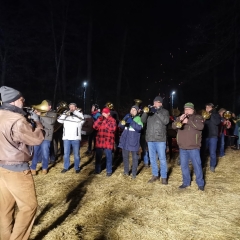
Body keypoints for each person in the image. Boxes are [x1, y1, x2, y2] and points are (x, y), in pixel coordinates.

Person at [0, 86, 44, 240]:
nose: (23, 101)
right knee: (29, 207)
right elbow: (36, 139)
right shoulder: (17, 120)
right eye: (21, 99)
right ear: (13, 101)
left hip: (1, 169)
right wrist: (38, 122)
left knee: (5, 209)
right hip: (17, 170)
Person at [172, 102, 205, 190]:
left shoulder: (198, 117)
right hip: (182, 147)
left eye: (188, 109)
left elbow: (200, 127)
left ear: (192, 110)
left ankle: (200, 184)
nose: (186, 110)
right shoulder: (181, 117)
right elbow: (173, 126)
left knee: (197, 166)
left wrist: (188, 121)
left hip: (194, 147)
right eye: (185, 109)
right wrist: (179, 119)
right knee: (184, 166)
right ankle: (186, 182)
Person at [141, 96, 169, 184]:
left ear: (161, 103)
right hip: (150, 138)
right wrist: (146, 112)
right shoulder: (150, 112)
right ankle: (155, 175)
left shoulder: (165, 112)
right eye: (154, 102)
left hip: (160, 139)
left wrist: (156, 112)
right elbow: (142, 120)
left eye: (157, 102)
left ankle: (164, 177)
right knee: (152, 158)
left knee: (162, 158)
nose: (154, 104)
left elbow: (166, 121)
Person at [30, 100, 57, 175]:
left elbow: (50, 121)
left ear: (50, 106)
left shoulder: (53, 113)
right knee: (35, 152)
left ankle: (44, 168)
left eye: (45, 105)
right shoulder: (40, 112)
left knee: (45, 153)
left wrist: (41, 114)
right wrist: (33, 115)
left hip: (47, 136)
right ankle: (33, 168)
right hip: (38, 135)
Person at [57, 103, 85, 173]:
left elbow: (83, 119)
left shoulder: (79, 114)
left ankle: (77, 167)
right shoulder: (66, 115)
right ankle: (66, 167)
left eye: (73, 107)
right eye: (70, 107)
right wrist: (65, 114)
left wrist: (75, 112)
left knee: (76, 155)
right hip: (66, 138)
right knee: (66, 154)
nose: (71, 108)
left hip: (76, 138)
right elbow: (59, 120)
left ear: (76, 107)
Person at [119, 105, 143, 178]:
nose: (132, 111)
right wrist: (124, 122)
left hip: (133, 141)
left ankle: (133, 174)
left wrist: (132, 122)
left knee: (135, 158)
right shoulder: (127, 116)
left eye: (134, 110)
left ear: (137, 112)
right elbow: (120, 125)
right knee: (125, 157)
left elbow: (139, 128)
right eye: (131, 109)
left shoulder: (139, 118)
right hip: (125, 140)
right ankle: (126, 172)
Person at [93, 107, 116, 176]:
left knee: (109, 157)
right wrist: (99, 120)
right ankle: (97, 170)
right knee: (98, 157)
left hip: (108, 141)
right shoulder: (100, 119)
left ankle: (109, 171)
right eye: (103, 113)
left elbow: (112, 129)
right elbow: (94, 126)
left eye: (105, 113)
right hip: (100, 141)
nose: (103, 114)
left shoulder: (112, 120)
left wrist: (104, 121)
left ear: (109, 113)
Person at [202, 103, 221, 172]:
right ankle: (202, 165)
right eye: (206, 107)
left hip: (213, 136)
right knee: (203, 151)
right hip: (205, 135)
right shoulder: (204, 115)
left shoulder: (216, 115)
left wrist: (211, 115)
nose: (207, 109)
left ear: (212, 108)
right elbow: (202, 124)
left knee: (212, 152)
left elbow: (217, 122)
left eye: (208, 107)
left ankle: (212, 166)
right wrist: (203, 119)